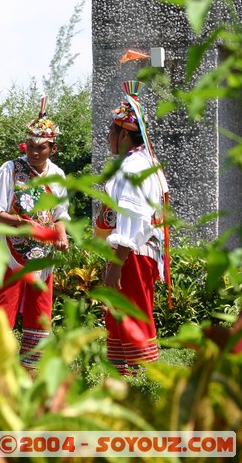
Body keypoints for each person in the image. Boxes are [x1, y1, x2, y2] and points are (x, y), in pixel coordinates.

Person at [0, 96, 69, 369]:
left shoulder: (58, 175)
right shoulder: (11, 170)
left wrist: (62, 236)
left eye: (41, 148)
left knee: (40, 311)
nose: (34, 152)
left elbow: (59, 215)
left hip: (43, 254)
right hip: (12, 251)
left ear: (53, 148)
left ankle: (32, 370)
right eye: (30, 146)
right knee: (4, 307)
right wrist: (22, 224)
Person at [96, 81, 169, 376]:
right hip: (132, 253)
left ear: (123, 134)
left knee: (133, 316)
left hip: (132, 254)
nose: (107, 138)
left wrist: (117, 262)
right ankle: (125, 378)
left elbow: (133, 215)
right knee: (120, 316)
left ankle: (148, 381)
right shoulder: (142, 163)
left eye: (111, 132)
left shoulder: (133, 168)